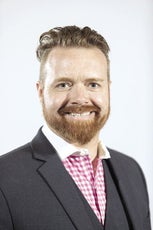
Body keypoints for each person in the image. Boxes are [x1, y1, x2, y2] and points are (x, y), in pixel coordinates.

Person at [0, 26, 151, 230]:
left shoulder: (131, 171)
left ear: (108, 89)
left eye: (93, 84)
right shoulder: (4, 178)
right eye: (63, 84)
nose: (80, 98)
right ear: (41, 92)